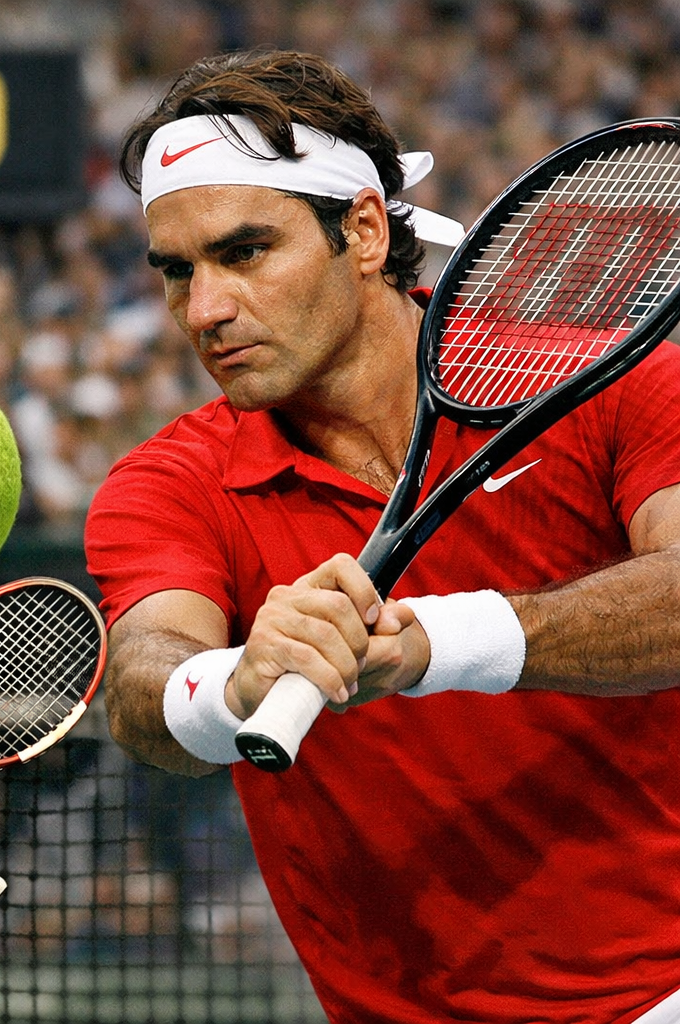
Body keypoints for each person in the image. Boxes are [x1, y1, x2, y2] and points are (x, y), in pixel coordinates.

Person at [85, 49, 680, 1024]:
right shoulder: (167, 483)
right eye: (178, 271)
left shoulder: (608, 382)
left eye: (244, 252)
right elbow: (146, 680)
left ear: (363, 231)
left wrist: (435, 642)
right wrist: (232, 684)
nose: (204, 310)